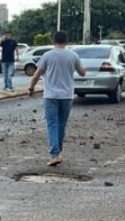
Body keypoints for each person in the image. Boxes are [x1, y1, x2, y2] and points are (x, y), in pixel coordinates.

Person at [27, 31, 86, 166]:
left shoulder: (47, 55)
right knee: (61, 125)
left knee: (52, 124)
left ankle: (55, 154)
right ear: (67, 41)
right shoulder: (73, 55)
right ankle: (58, 153)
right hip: (67, 96)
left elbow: (37, 74)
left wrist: (31, 87)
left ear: (53, 41)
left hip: (50, 95)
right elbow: (82, 73)